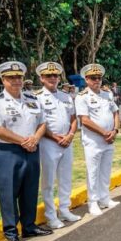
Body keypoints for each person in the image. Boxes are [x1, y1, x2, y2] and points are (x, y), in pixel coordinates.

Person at [0, 61, 52, 241]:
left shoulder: (31, 99)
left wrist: (35, 139)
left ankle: (29, 227)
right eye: (11, 77)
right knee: (8, 194)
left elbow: (43, 123)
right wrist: (23, 141)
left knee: (29, 191)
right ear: (3, 80)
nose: (16, 81)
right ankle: (11, 233)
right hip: (6, 153)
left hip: (30, 151)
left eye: (19, 77)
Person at [35, 62, 81, 229]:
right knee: (48, 181)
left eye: (55, 75)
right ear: (42, 78)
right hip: (48, 144)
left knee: (65, 178)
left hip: (66, 143)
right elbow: (38, 123)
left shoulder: (66, 96)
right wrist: (55, 137)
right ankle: (51, 215)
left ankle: (64, 209)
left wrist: (70, 135)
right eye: (48, 76)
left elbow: (74, 119)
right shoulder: (37, 97)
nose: (53, 78)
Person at [75, 63, 121, 216]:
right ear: (86, 79)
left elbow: (115, 112)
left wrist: (114, 130)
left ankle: (105, 198)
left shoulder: (107, 94)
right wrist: (104, 133)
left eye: (99, 78)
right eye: (93, 78)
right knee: (93, 172)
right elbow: (85, 120)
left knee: (105, 170)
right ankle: (93, 202)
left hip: (109, 138)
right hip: (93, 141)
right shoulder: (82, 97)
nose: (97, 80)